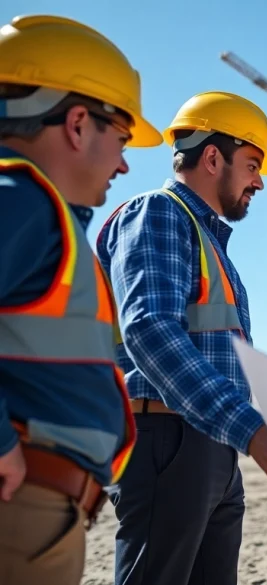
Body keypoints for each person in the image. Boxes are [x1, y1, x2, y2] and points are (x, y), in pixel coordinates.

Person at [95, 90, 267, 585]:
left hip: (213, 445)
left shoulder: (210, 243)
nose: (259, 182)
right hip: (167, 440)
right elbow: (150, 330)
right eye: (252, 164)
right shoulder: (158, 214)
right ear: (211, 157)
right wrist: (251, 431)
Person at [0, 14, 163, 584]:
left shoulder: (42, 215)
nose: (124, 162)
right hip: (22, 504)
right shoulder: (20, 201)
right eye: (120, 139)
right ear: (76, 123)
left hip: (45, 506)